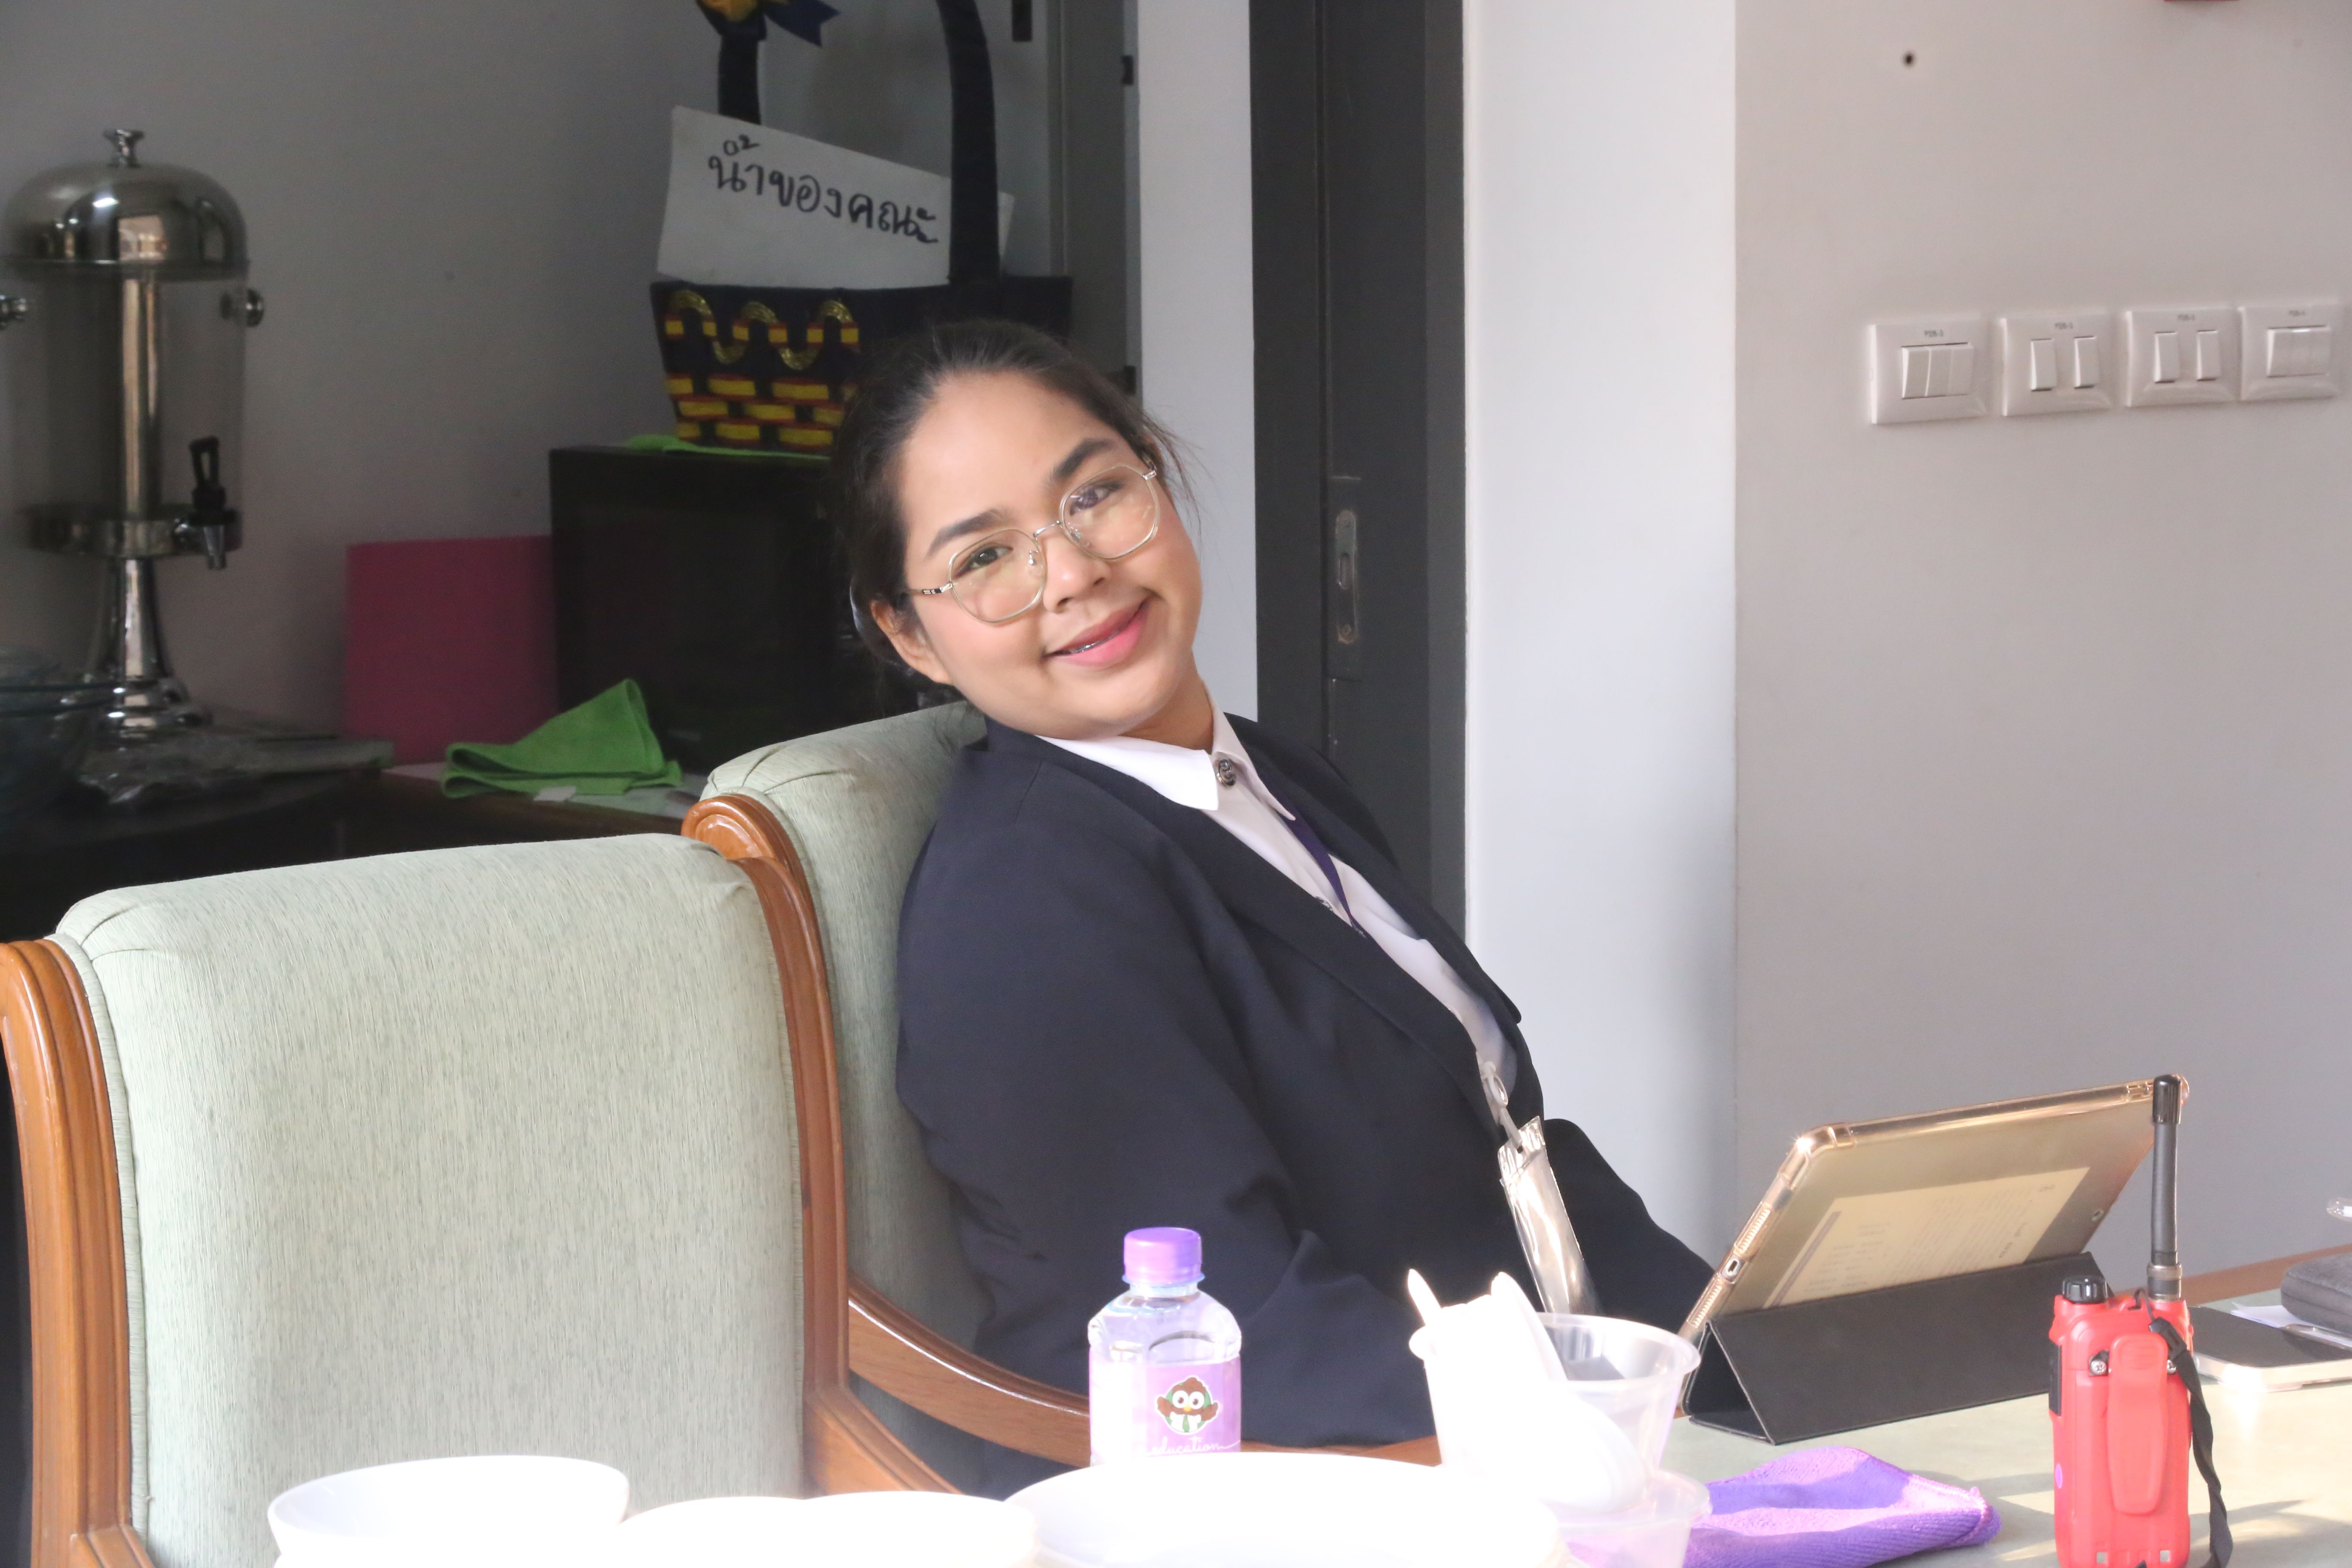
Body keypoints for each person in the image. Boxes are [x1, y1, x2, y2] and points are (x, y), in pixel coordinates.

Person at [833, 319, 1711, 1494]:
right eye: (987, 556)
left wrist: (1733, 1354)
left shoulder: (1268, 778)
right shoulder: (1027, 902)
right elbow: (1236, 1323)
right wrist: (1598, 1445)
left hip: (1508, 1437)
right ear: (911, 635)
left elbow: (1509, 1153)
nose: (1074, 573)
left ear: (1157, 484)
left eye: (1094, 495)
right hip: (1281, 1492)